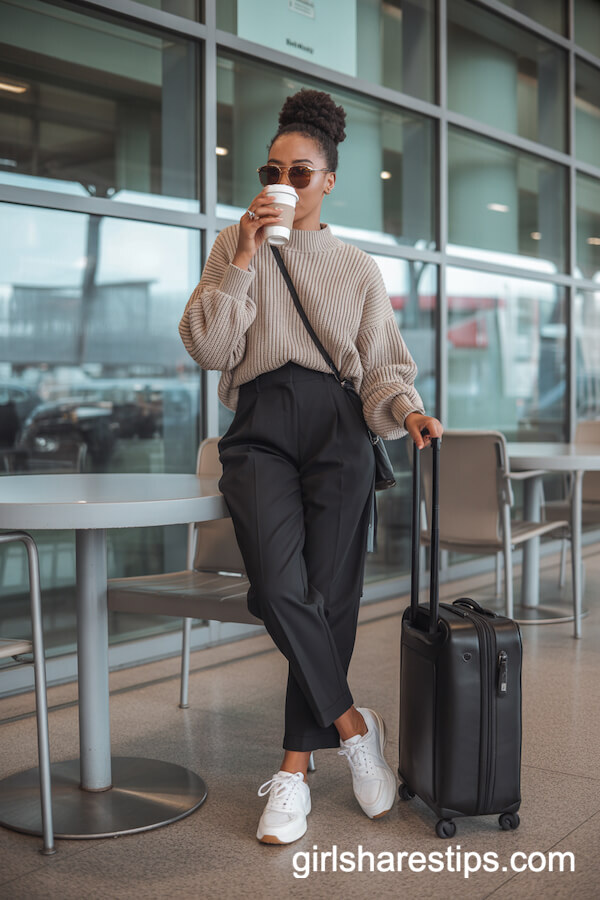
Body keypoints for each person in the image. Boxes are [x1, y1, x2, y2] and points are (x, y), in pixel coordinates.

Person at [179, 88, 443, 845]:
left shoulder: (357, 267)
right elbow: (208, 348)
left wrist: (410, 412)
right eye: (272, 169)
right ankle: (355, 728)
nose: (282, 183)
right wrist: (245, 257)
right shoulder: (235, 244)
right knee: (277, 585)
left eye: (300, 173)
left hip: (338, 428)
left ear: (328, 181)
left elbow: (384, 371)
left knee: (328, 596)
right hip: (258, 426)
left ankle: (294, 769)